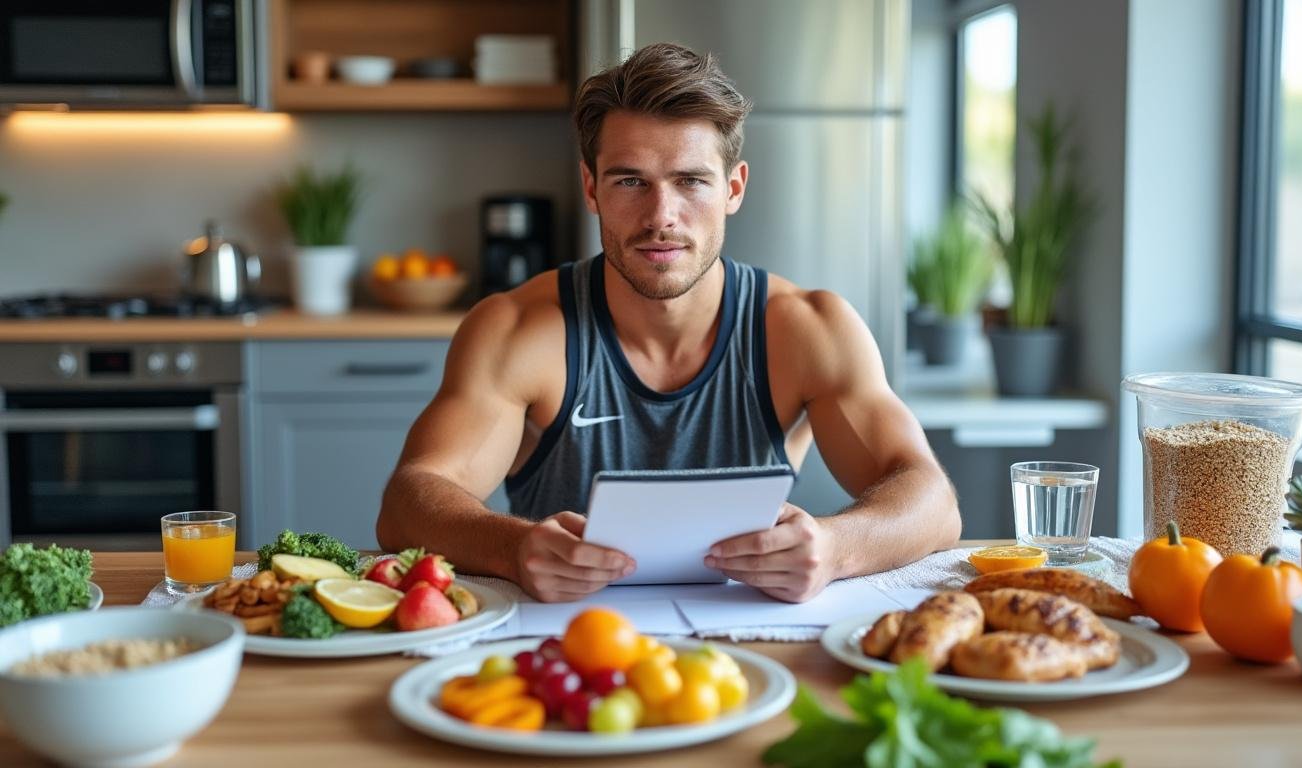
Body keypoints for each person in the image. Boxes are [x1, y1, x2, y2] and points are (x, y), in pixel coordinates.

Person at [377, 42, 960, 603]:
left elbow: (933, 502)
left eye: (691, 181)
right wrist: (514, 547)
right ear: (591, 188)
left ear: (733, 188)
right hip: (564, 647)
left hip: (743, 643)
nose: (661, 216)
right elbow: (408, 502)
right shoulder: (518, 329)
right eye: (631, 181)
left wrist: (836, 547)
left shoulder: (808, 328)